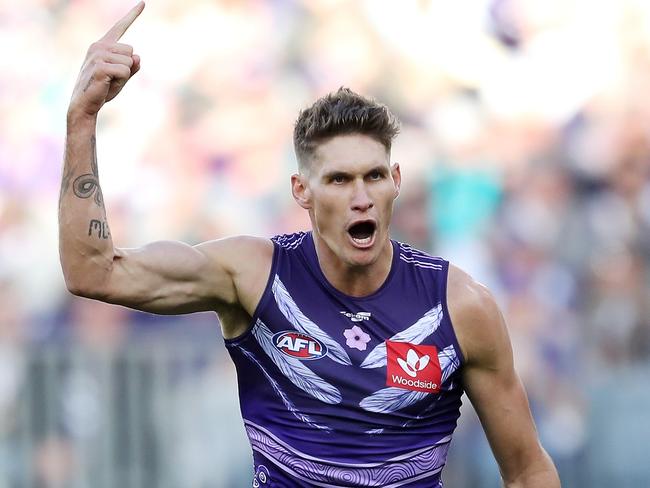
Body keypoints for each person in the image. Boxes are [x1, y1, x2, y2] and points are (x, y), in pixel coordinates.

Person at [59, 3, 561, 487]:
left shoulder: (459, 305)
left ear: (396, 181)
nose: (361, 198)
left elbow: (528, 471)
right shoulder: (252, 276)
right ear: (302, 190)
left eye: (374, 177)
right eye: (340, 180)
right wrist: (82, 117)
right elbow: (94, 272)